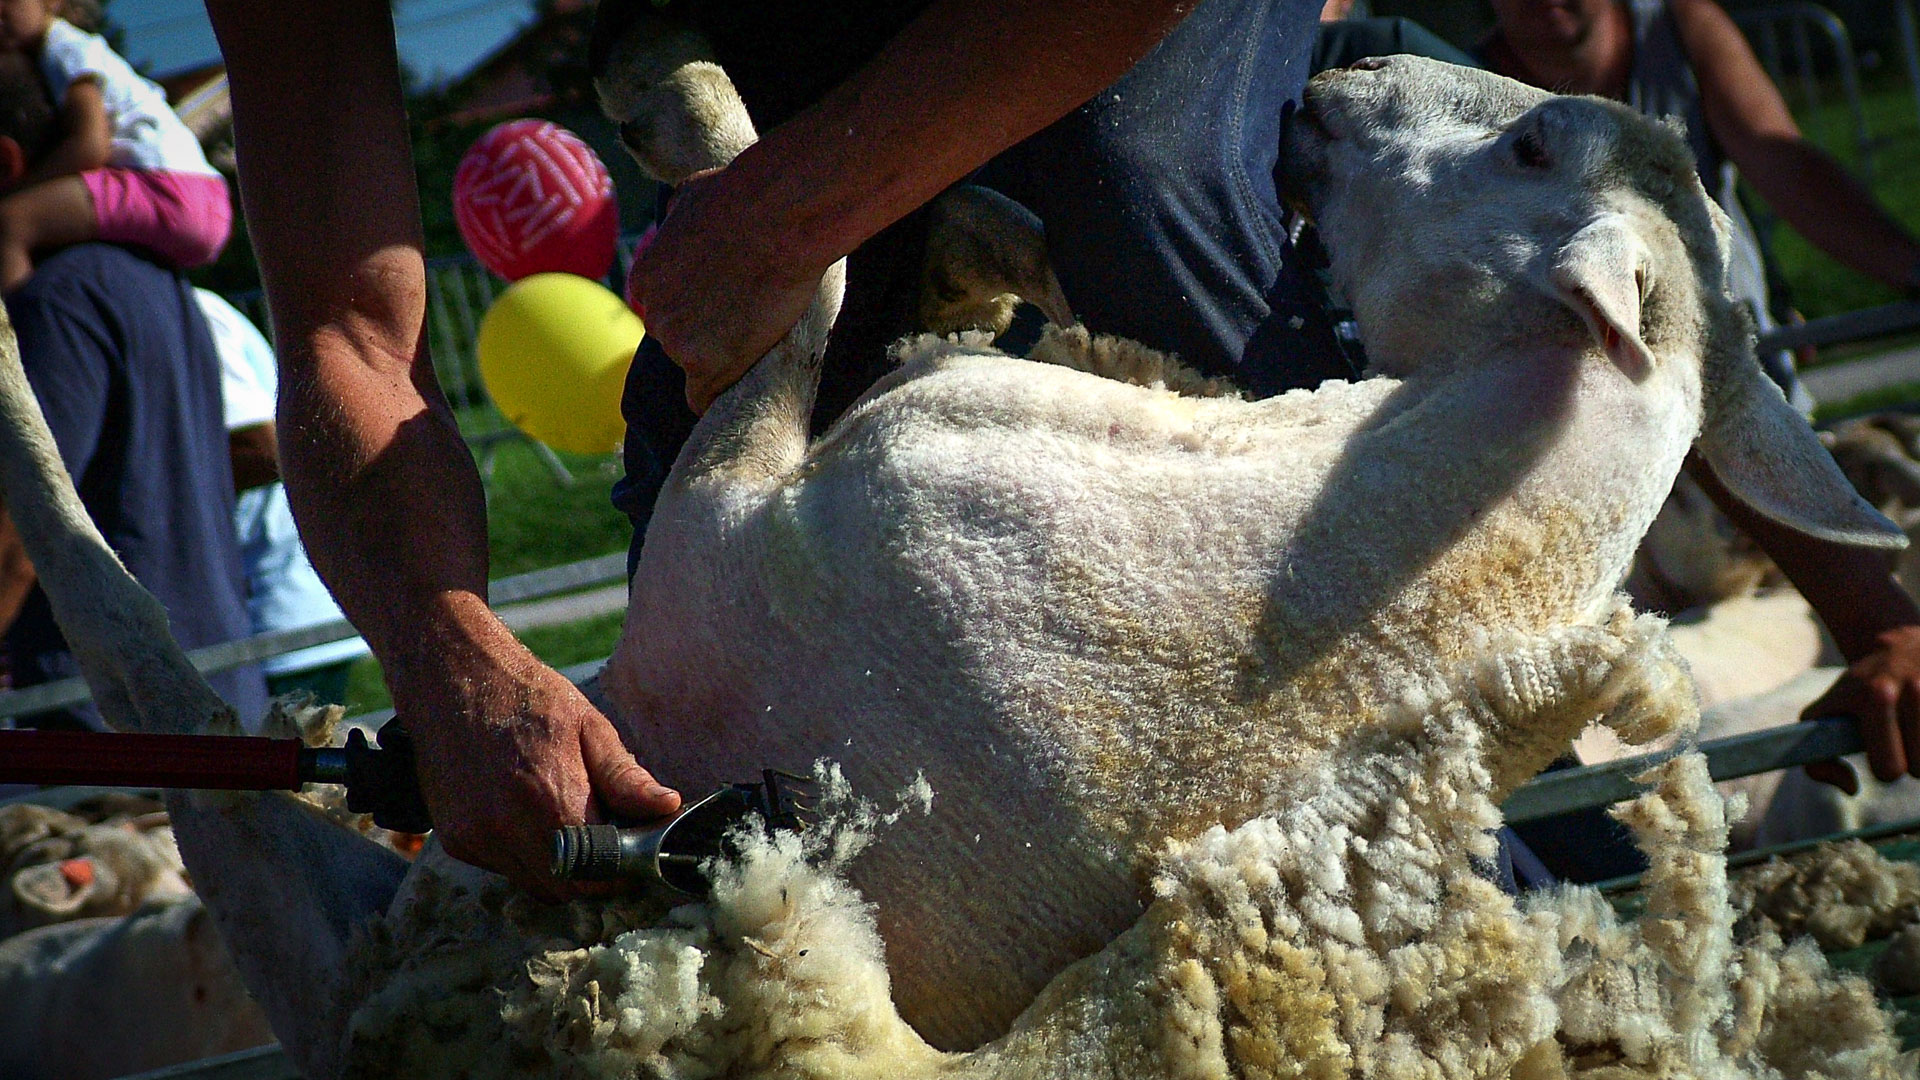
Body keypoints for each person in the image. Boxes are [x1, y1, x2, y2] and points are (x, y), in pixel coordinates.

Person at [203, 0, 1920, 901]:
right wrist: (445, 649)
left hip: (1110, 59)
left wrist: (786, 216)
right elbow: (351, 339)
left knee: (1130, 219)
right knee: (731, 805)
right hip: (761, 147)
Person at [0, 50, 265, 732]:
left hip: (110, 728)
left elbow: (20, 536)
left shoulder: (54, 301)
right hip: (203, 700)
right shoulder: (152, 282)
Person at [1481, 0, 1920, 409]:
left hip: (1741, 380)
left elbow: (1783, 164)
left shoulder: (1678, 30)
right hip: (1585, 411)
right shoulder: (1465, 93)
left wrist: (1909, 268)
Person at [198, 287, 363, 707]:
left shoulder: (191, 311)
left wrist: (151, 490)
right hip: (261, 608)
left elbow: (261, 448)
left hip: (276, 610)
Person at [0, 0, 231, 290]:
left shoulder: (65, 49)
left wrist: (20, 189)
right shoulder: (70, 51)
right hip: (201, 193)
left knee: (11, 221)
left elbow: (89, 146)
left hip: (164, 188)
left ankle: (21, 332)